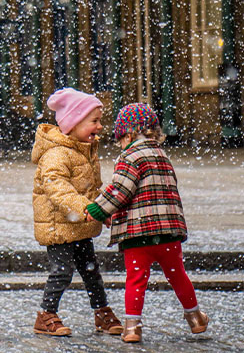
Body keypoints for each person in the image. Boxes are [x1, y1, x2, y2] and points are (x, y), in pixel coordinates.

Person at [85, 102, 209, 343]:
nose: (120, 143)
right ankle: (195, 318)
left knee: (135, 278)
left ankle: (132, 327)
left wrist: (97, 209)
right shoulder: (162, 155)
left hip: (138, 234)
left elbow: (120, 190)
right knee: (178, 275)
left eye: (120, 138)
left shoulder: (130, 157)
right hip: (168, 233)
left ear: (129, 134)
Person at [32, 87, 122, 337]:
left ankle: (102, 312)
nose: (100, 126)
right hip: (59, 225)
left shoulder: (84, 150)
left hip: (80, 224)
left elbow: (90, 188)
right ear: (73, 124)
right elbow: (58, 189)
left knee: (91, 270)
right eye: (94, 121)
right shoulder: (56, 154)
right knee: (62, 271)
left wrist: (102, 210)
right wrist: (87, 209)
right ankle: (45, 314)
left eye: (100, 120)